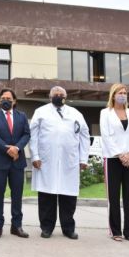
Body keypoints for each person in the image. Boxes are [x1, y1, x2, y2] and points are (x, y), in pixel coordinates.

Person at [29, 86, 89, 240]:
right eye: (55, 94)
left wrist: (83, 159)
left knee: (68, 197)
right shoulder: (40, 112)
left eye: (61, 94)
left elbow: (84, 136)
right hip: (45, 161)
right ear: (50, 97)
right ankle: (46, 228)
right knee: (46, 196)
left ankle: (68, 228)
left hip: (69, 161)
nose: (58, 96)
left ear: (66, 97)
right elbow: (33, 135)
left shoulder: (76, 113)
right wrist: (34, 156)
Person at [0, 88, 30, 239]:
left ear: (14, 101)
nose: (6, 100)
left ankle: (16, 226)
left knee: (17, 196)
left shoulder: (22, 116)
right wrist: (8, 149)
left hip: (17, 162)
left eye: (8, 98)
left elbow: (26, 134)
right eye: (3, 98)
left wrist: (16, 148)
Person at [100, 83, 129, 242]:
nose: (123, 95)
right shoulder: (105, 113)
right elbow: (106, 136)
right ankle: (115, 231)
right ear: (113, 95)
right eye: (120, 93)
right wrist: (120, 154)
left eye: (125, 93)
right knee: (114, 196)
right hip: (112, 159)